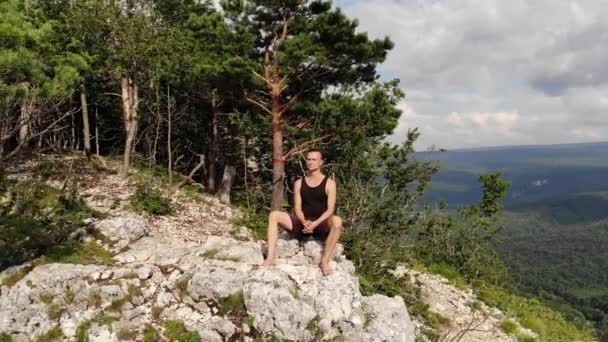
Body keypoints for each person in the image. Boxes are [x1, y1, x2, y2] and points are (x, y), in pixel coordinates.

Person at [261, 150, 343, 276]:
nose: (310, 162)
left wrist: (315, 224)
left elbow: (330, 209)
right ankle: (270, 257)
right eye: (308, 159)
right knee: (274, 215)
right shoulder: (299, 183)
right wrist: (304, 222)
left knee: (337, 221)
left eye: (313, 160)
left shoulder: (330, 184)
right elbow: (297, 208)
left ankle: (324, 261)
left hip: (320, 224)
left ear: (320, 162)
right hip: (302, 223)